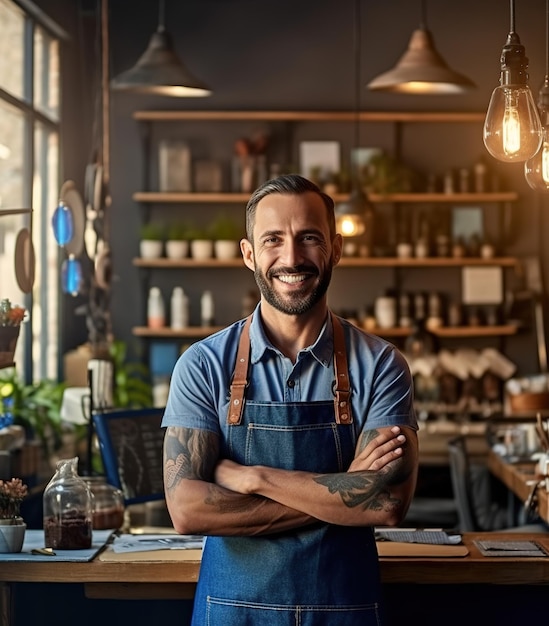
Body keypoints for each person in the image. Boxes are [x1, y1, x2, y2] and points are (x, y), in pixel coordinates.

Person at [162, 174, 419, 625]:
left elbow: (387, 504)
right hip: (233, 613)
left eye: (309, 238)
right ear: (249, 254)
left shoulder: (382, 365)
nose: (292, 257)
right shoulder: (202, 365)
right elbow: (186, 510)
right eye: (273, 239)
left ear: (335, 248)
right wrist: (340, 494)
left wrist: (252, 476)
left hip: (345, 611)